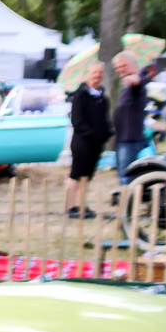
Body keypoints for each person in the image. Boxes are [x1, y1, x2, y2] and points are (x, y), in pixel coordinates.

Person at [67, 61, 110, 217]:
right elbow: (77, 121)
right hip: (82, 142)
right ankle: (70, 206)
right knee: (76, 175)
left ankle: (82, 205)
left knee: (87, 176)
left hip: (96, 144)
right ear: (88, 75)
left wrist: (106, 134)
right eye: (94, 73)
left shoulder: (102, 98)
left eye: (100, 73)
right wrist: (94, 134)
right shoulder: (80, 96)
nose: (97, 76)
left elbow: (104, 120)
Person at [112, 51, 150, 185]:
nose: (120, 69)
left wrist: (134, 79)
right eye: (118, 67)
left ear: (134, 65)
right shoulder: (126, 87)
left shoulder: (137, 83)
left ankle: (128, 204)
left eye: (124, 66)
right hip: (123, 138)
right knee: (124, 175)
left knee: (126, 177)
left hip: (130, 140)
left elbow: (138, 82)